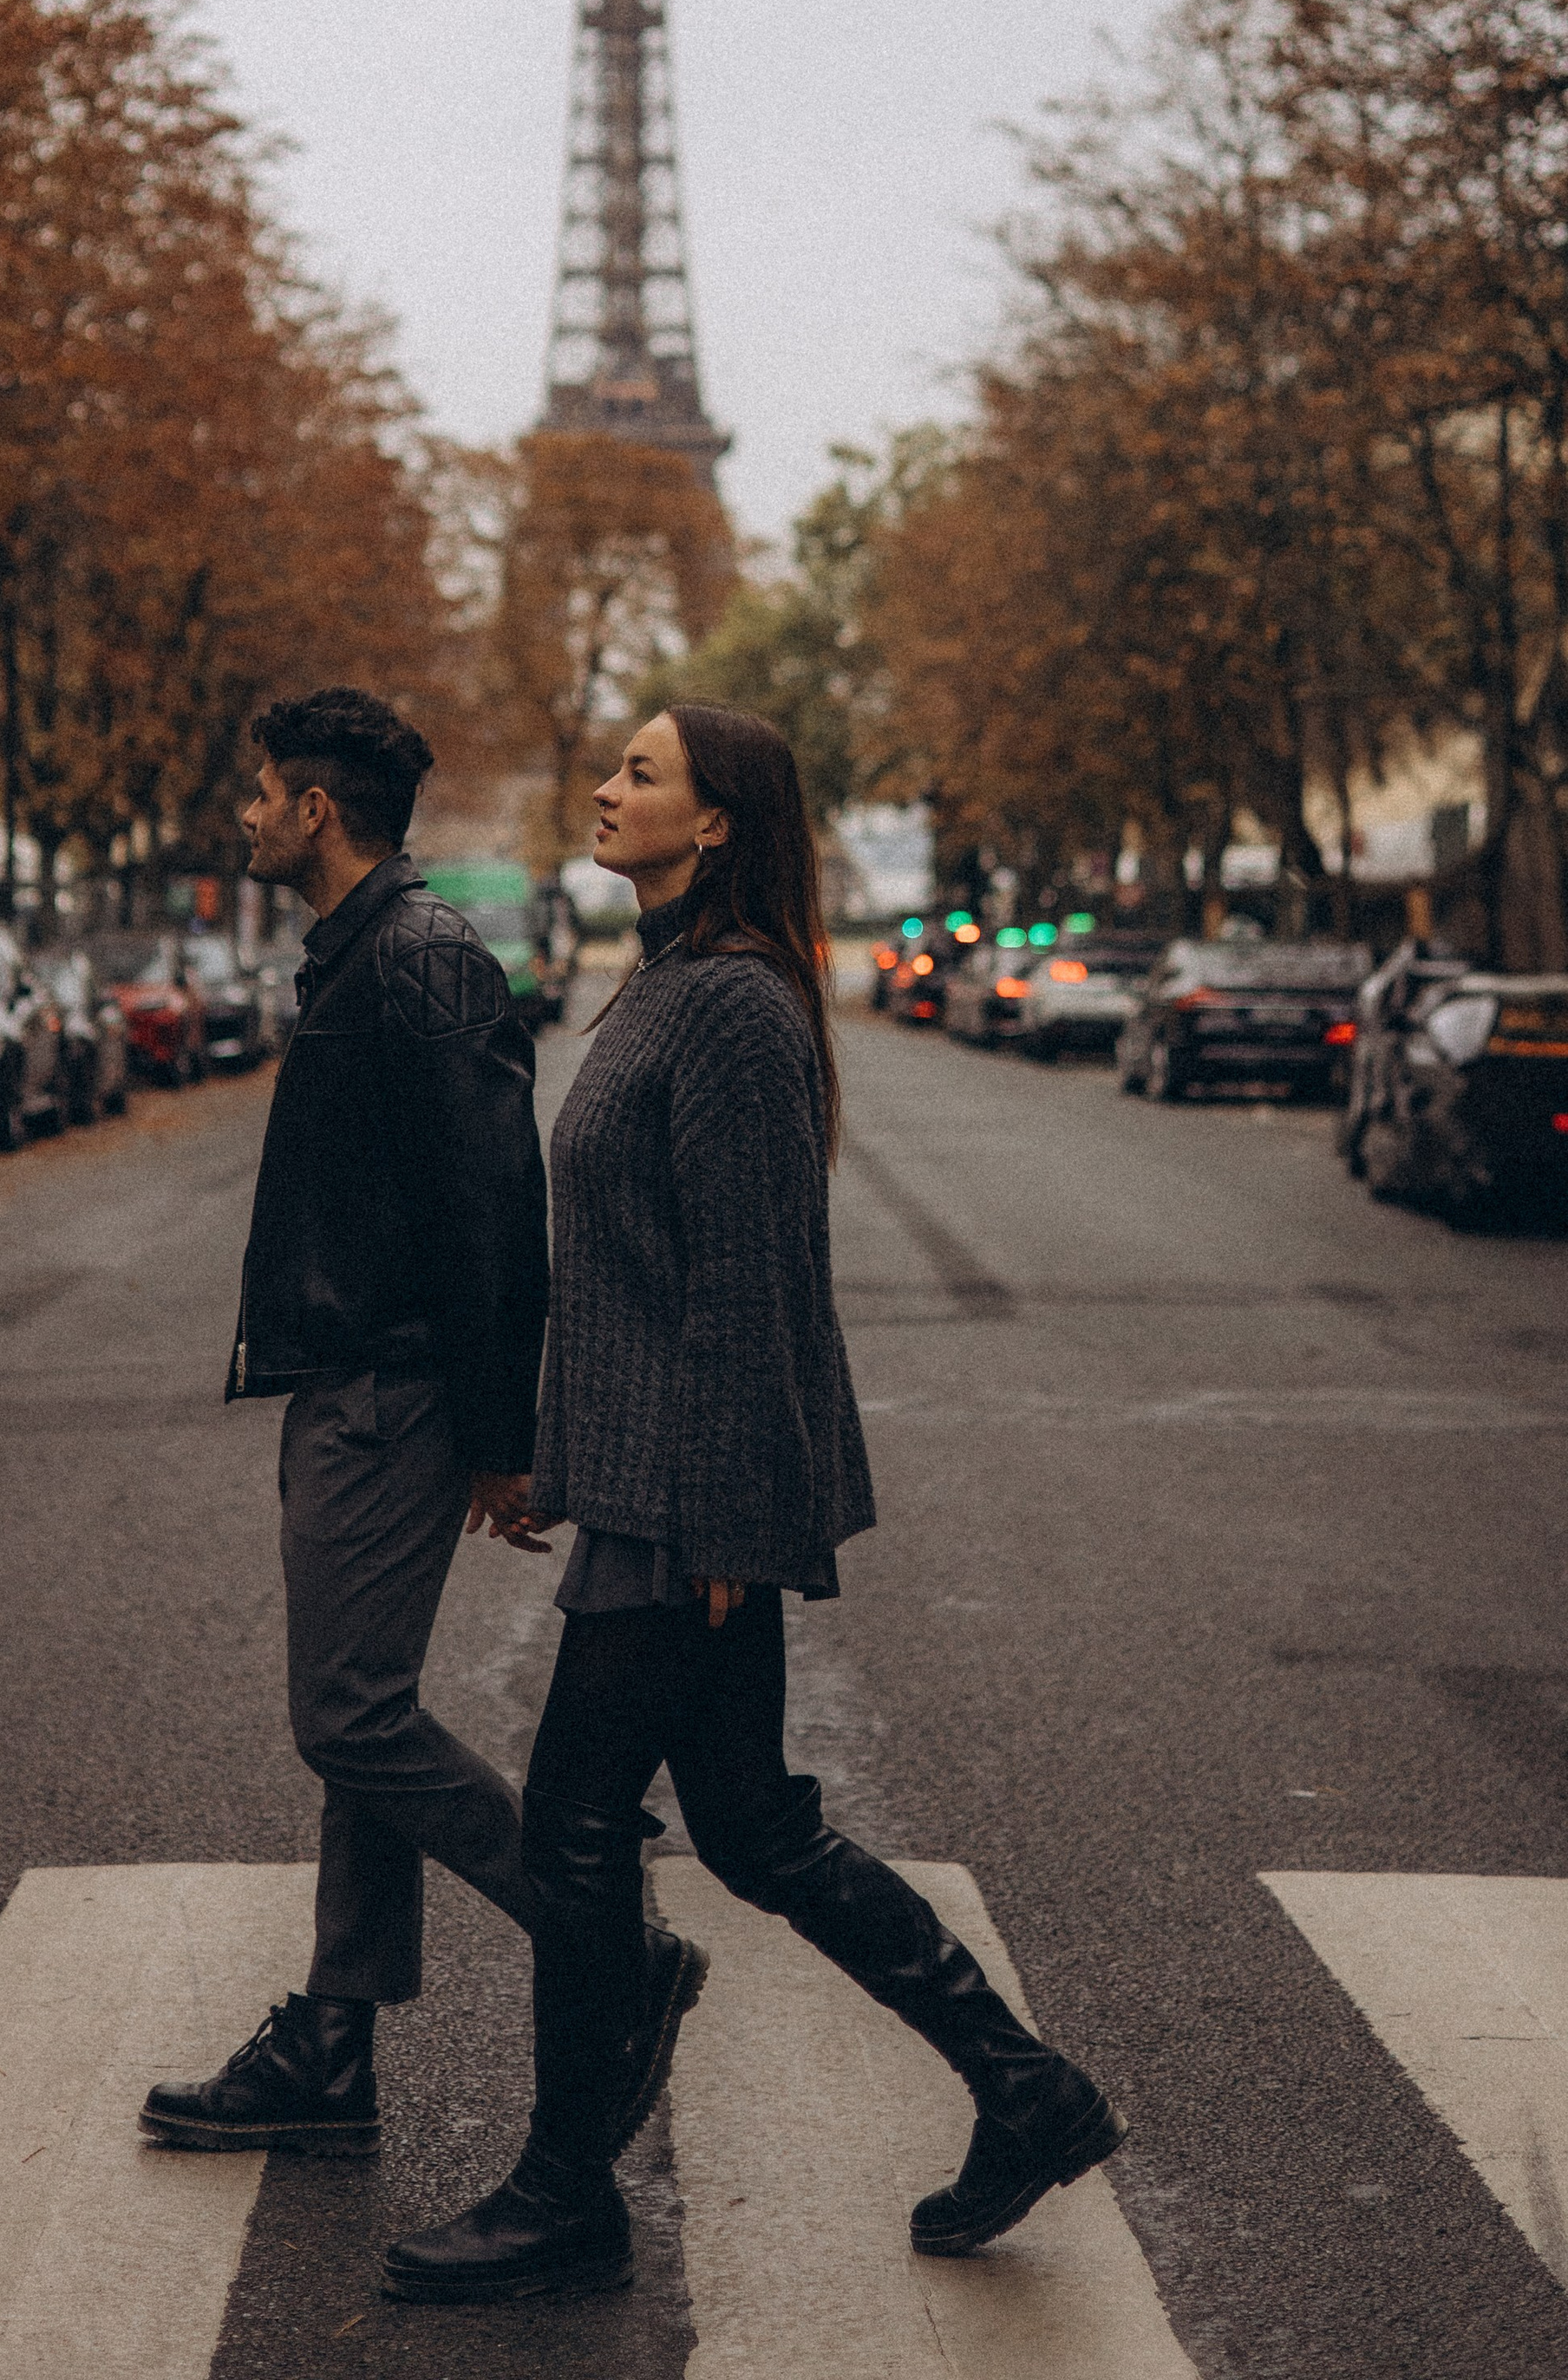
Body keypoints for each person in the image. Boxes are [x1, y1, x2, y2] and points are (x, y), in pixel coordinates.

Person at [383, 702, 1126, 2305]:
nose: (605, 786)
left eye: (641, 773)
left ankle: (564, 2193)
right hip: (654, 1486)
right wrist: (560, 1468)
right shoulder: (671, 989)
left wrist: (720, 1530)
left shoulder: (726, 1008)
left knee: (580, 1834)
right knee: (752, 1826)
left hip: (690, 1505)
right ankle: (1028, 2088)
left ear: (714, 822)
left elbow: (748, 1286)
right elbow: (634, 1279)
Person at [140, 687, 702, 2163]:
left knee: (350, 1715)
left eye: (262, 793)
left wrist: (499, 1433)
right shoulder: (368, 951)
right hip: (357, 1377)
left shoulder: (422, 960)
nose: (248, 815)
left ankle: (605, 1941)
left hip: (390, 1393)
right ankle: (336, 2037)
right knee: (360, 1715)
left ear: (317, 811)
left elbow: (491, 1207)